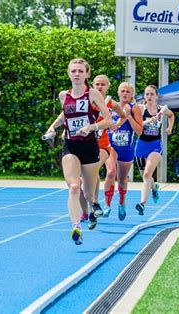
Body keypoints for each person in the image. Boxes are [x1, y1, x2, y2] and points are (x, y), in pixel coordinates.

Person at [44, 58, 111, 245]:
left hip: (89, 146)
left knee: (89, 194)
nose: (77, 74)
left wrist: (91, 127)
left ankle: (93, 208)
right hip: (71, 145)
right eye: (73, 71)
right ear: (68, 73)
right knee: (74, 187)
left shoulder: (93, 94)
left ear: (86, 74)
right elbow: (65, 113)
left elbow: (108, 120)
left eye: (81, 71)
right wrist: (52, 127)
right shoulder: (63, 95)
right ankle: (76, 226)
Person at [89, 74, 126, 223]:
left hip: (103, 144)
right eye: (97, 84)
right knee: (87, 176)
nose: (100, 87)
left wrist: (115, 125)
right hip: (86, 143)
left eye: (103, 84)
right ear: (92, 85)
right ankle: (91, 207)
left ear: (108, 86)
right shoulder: (87, 100)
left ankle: (95, 205)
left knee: (94, 169)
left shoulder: (111, 103)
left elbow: (123, 116)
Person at [134, 85, 174, 215]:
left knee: (146, 174)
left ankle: (142, 204)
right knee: (145, 176)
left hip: (155, 145)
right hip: (141, 145)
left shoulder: (162, 110)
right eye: (147, 94)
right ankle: (154, 188)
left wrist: (169, 128)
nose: (149, 97)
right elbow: (135, 124)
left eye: (152, 94)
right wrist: (148, 121)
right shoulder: (140, 109)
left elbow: (171, 115)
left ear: (157, 96)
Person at [107, 82, 143, 221]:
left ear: (132, 94)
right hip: (111, 146)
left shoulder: (135, 108)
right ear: (118, 92)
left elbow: (139, 131)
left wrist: (128, 117)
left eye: (128, 91)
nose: (125, 93)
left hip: (126, 148)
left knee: (122, 179)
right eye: (123, 91)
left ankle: (121, 203)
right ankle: (107, 206)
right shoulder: (112, 106)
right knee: (110, 173)